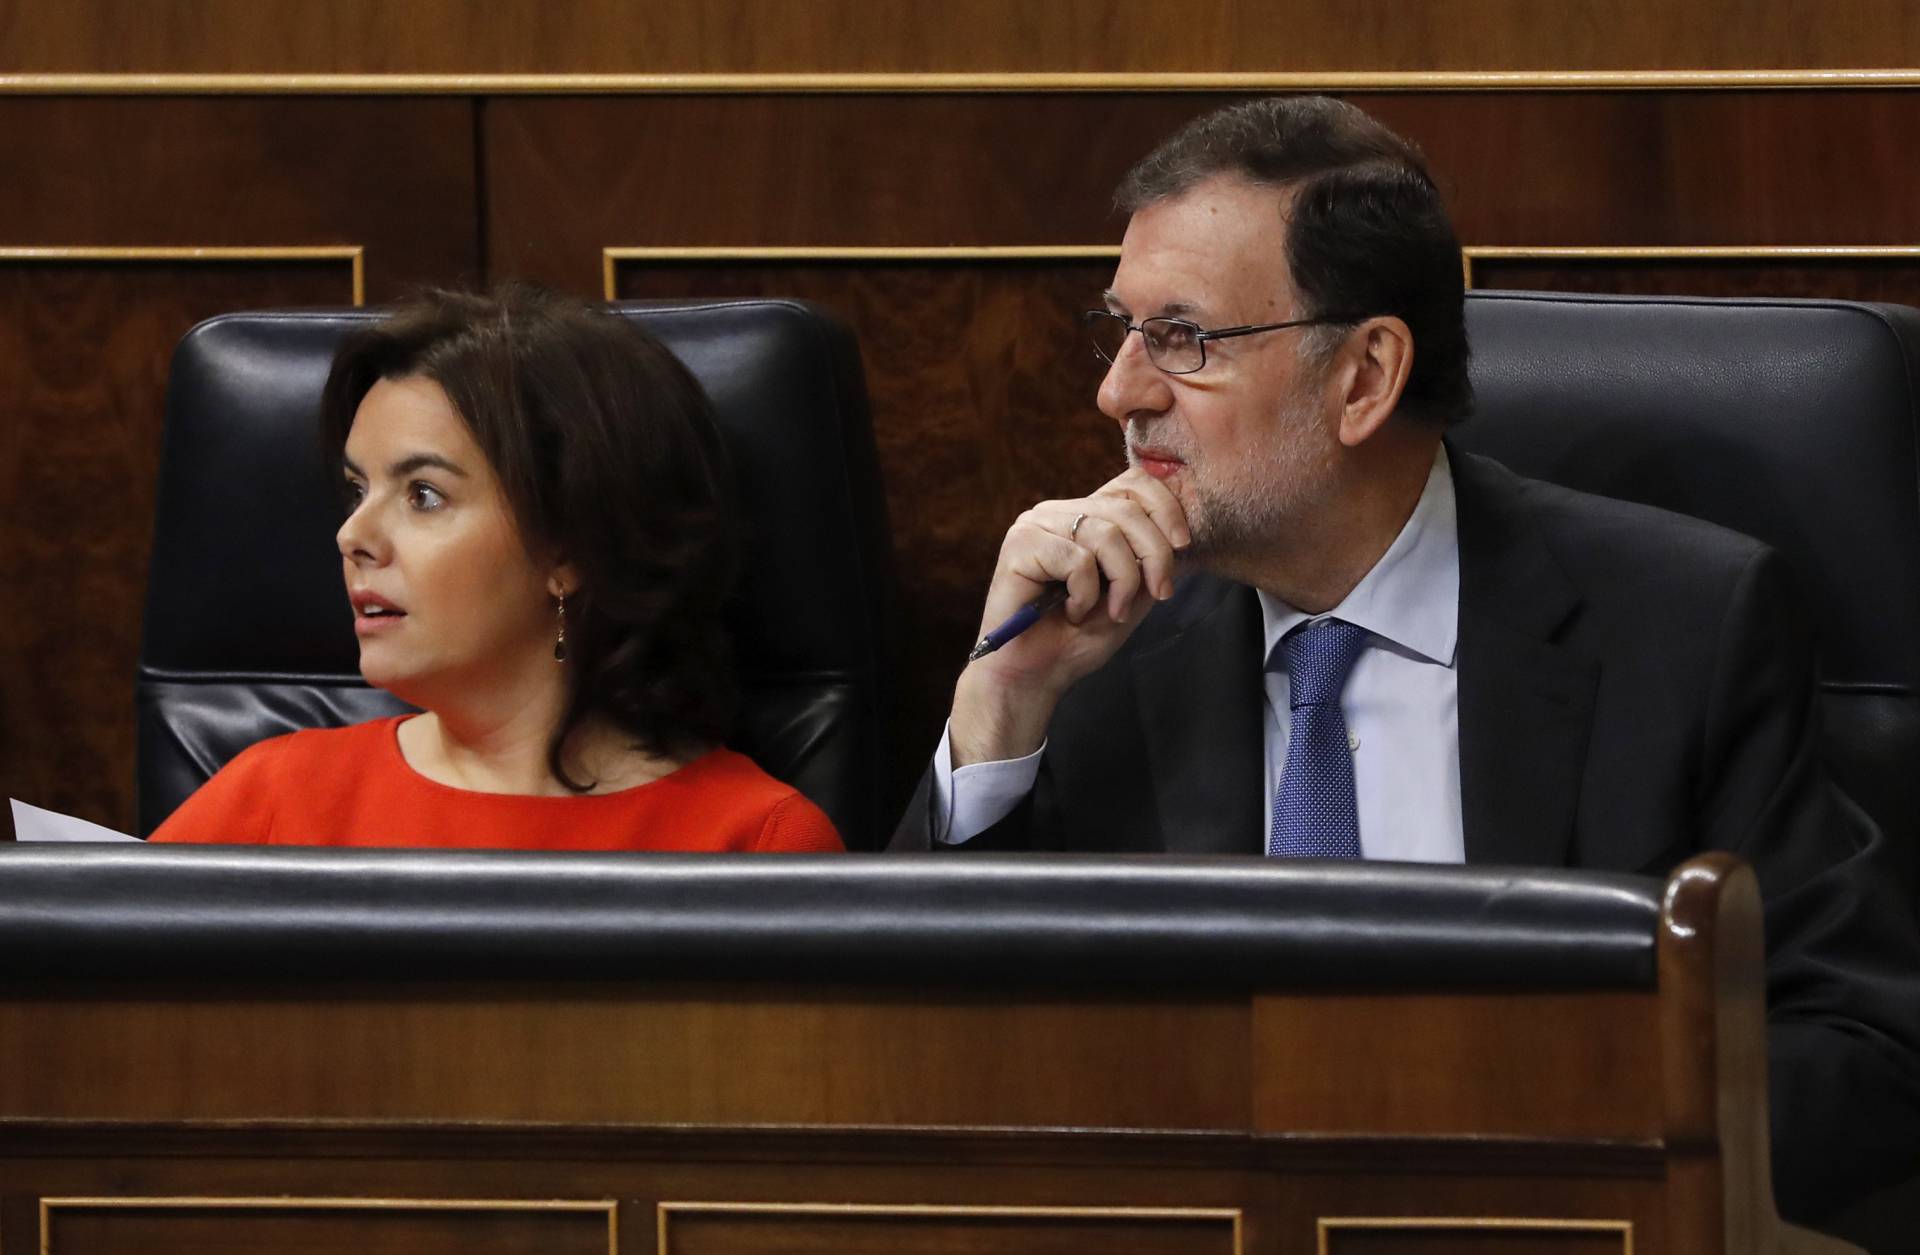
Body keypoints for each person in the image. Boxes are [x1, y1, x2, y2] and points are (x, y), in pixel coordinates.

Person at [891, 96, 1920, 1224]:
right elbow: (905, 1064)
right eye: (1121, 330)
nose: (1118, 392)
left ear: (1366, 376)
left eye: (1182, 339)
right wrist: (999, 712)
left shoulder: (1681, 629)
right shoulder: (1102, 651)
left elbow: (1860, 1056)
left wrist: (1512, 1153)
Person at [152, 284, 841, 853]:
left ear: (569, 549)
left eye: (423, 495)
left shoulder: (757, 841)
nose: (351, 534)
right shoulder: (273, 799)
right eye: (359, 491)